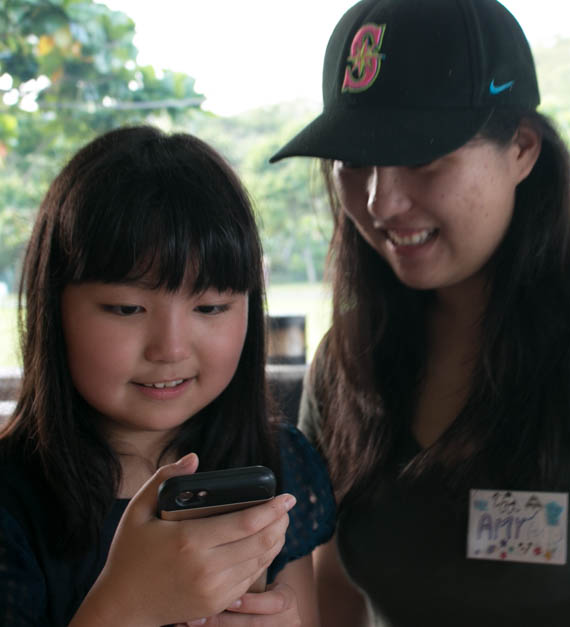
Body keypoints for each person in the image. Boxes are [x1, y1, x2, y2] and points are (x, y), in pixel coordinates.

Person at [270, 0, 570, 624]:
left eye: (421, 157)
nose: (382, 200)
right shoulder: (348, 359)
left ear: (521, 149)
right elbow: (335, 588)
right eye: (355, 161)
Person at [0, 125, 335, 626]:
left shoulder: (277, 464)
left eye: (211, 306)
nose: (171, 348)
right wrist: (126, 605)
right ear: (53, 310)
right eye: (126, 308)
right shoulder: (13, 501)